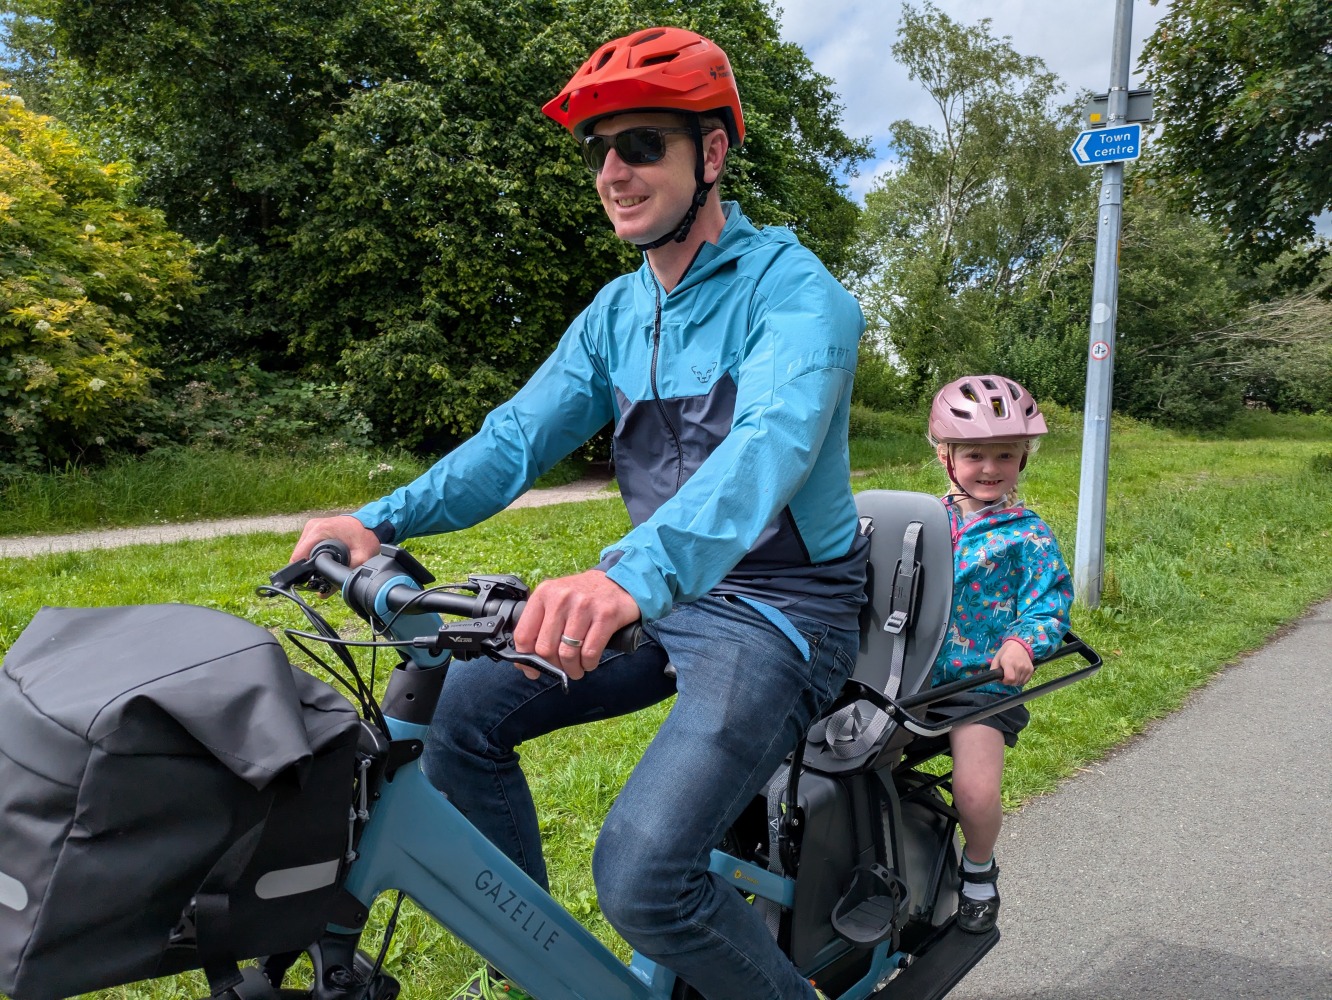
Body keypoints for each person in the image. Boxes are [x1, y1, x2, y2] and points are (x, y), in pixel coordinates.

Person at [291, 26, 867, 1000]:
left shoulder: (797, 297)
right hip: (661, 595)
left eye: (641, 142)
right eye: (600, 148)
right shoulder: (618, 311)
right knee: (461, 719)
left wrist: (624, 577)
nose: (613, 171)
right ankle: (550, 970)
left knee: (644, 880)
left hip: (778, 611)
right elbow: (512, 442)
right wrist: (376, 520)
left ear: (712, 153)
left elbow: (766, 449)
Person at [925, 374, 1073, 934]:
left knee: (975, 788)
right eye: (975, 454)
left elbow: (1047, 604)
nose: (990, 467)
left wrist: (1021, 643)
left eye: (1005, 455)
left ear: (1023, 461)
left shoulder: (1029, 535)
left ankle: (979, 867)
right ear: (947, 457)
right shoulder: (923, 520)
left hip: (976, 688)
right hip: (906, 678)